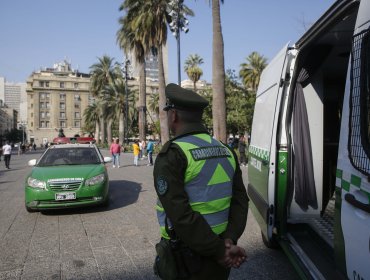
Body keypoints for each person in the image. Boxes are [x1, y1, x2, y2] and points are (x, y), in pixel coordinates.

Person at [153, 83, 249, 280]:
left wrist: (218, 251)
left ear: (174, 116)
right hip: (222, 251)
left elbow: (180, 214)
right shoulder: (226, 150)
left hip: (188, 259)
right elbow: (240, 201)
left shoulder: (173, 155)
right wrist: (228, 240)